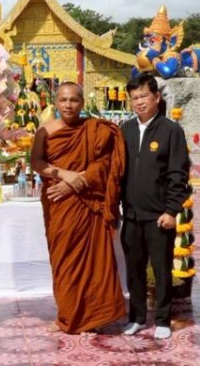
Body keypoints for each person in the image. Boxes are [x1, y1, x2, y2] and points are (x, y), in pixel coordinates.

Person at [31, 81, 126, 334]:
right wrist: (65, 175)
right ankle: (67, 315)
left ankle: (92, 317)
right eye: (63, 100)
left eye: (74, 100)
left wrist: (75, 184)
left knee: (92, 262)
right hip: (58, 203)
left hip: (86, 201)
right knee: (64, 260)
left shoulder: (95, 130)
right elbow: (36, 162)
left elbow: (104, 165)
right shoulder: (45, 131)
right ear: (56, 103)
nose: (68, 105)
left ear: (82, 103)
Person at [120, 73, 190, 339]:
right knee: (134, 270)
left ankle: (162, 320)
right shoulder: (125, 130)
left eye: (144, 96)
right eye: (134, 98)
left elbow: (178, 175)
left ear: (157, 97)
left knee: (161, 270)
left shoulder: (171, 131)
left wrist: (171, 211)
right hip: (131, 214)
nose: (139, 102)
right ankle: (137, 318)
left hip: (159, 216)